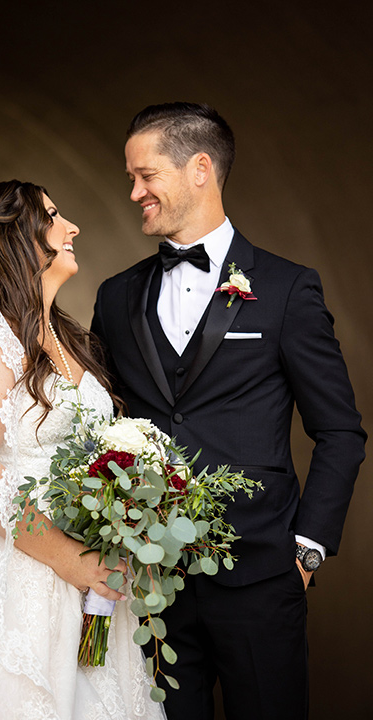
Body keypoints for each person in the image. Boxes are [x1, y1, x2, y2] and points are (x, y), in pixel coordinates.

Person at [91, 103, 367, 720]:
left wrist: (307, 552)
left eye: (145, 175)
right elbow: (100, 425)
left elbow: (341, 432)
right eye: (130, 177)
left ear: (200, 168)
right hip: (152, 592)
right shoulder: (115, 296)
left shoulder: (289, 289)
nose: (134, 191)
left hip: (263, 581)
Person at [0, 180, 166, 720]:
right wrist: (71, 559)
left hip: (91, 585)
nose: (72, 228)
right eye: (55, 216)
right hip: (14, 580)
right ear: (20, 239)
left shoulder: (66, 339)